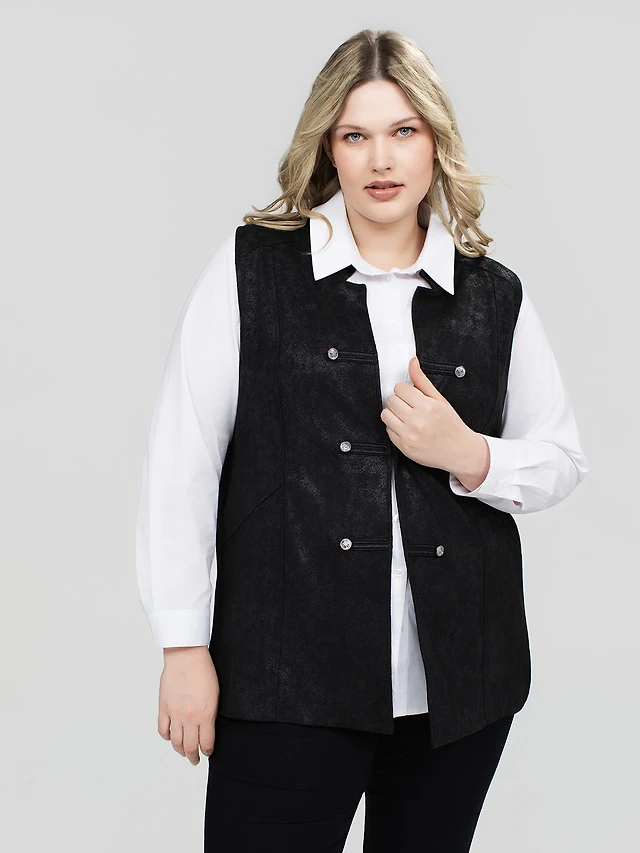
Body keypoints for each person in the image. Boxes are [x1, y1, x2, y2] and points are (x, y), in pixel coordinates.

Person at [135, 28, 589, 853]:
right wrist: (183, 643)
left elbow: (561, 458)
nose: (382, 159)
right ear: (328, 150)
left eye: (403, 131)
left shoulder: (493, 294)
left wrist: (469, 452)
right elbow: (183, 462)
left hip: (458, 691)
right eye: (356, 135)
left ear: (434, 143)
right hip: (288, 678)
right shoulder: (252, 269)